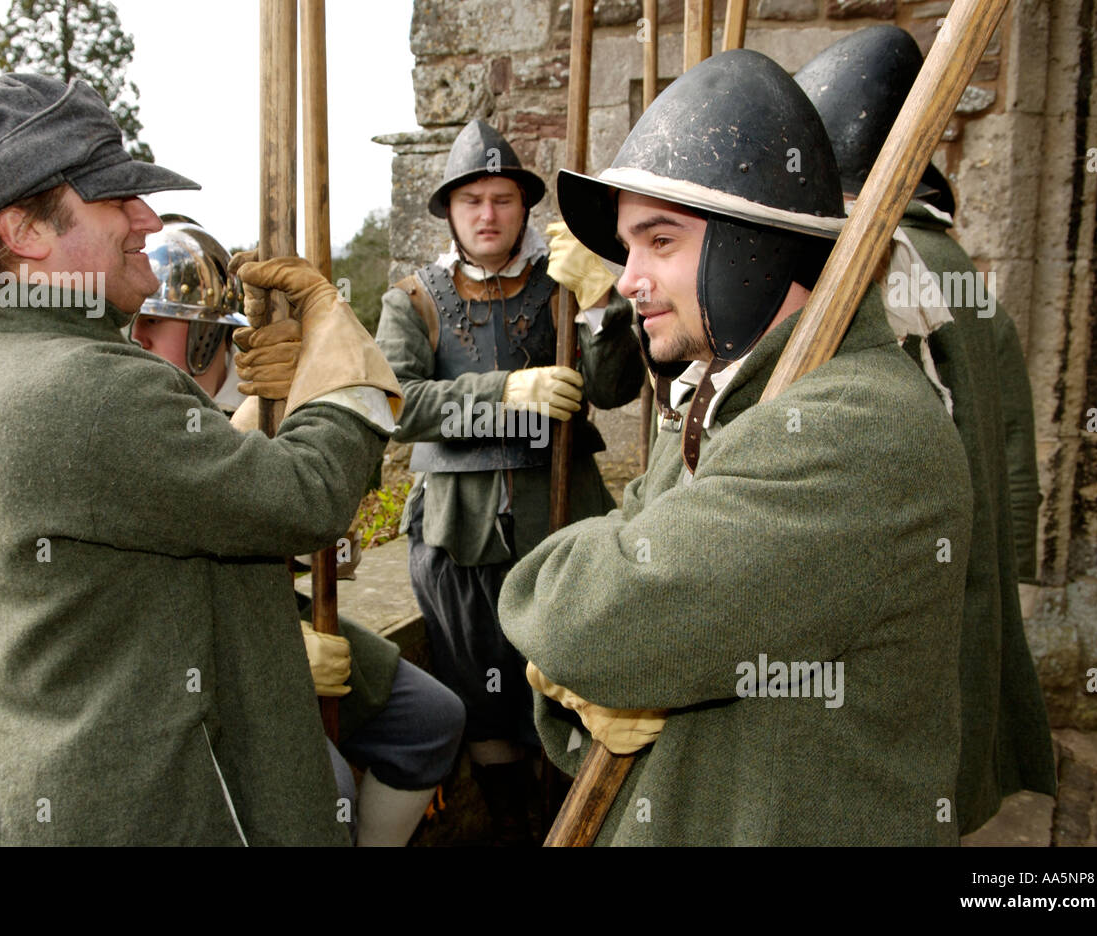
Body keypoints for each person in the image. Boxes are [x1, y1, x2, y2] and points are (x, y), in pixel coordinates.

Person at [0, 73, 401, 845]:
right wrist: (343, 364)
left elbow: (166, 499)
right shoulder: (82, 385)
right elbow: (307, 496)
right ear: (24, 231)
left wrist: (271, 404)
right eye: (114, 198)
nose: (147, 219)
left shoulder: (22, 348)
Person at [498, 49, 974, 845]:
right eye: (629, 246)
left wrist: (575, 629)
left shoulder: (860, 428)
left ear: (758, 245)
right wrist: (584, 681)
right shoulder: (723, 393)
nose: (626, 280)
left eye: (660, 241)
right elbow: (624, 606)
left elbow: (596, 619)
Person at [793, 25, 1056, 835]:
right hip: (962, 570)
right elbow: (1015, 443)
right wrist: (1009, 566)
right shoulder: (955, 260)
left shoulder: (883, 263)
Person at [131, 218, 465, 846]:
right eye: (138, 321)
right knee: (324, 793)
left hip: (276, 614)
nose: (142, 337)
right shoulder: (129, 414)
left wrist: (288, 395)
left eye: (159, 322)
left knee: (432, 718)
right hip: (197, 659)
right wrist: (269, 655)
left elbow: (297, 513)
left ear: (211, 339)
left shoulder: (229, 392)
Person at [375, 118, 644, 842]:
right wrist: (506, 393)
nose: (488, 215)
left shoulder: (562, 284)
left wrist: (600, 305)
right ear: (451, 212)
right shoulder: (414, 300)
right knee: (483, 706)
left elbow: (617, 389)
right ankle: (510, 832)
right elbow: (397, 407)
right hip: (457, 537)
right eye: (472, 202)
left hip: (562, 522)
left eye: (501, 199)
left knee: (574, 690)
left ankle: (575, 827)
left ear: (524, 207)